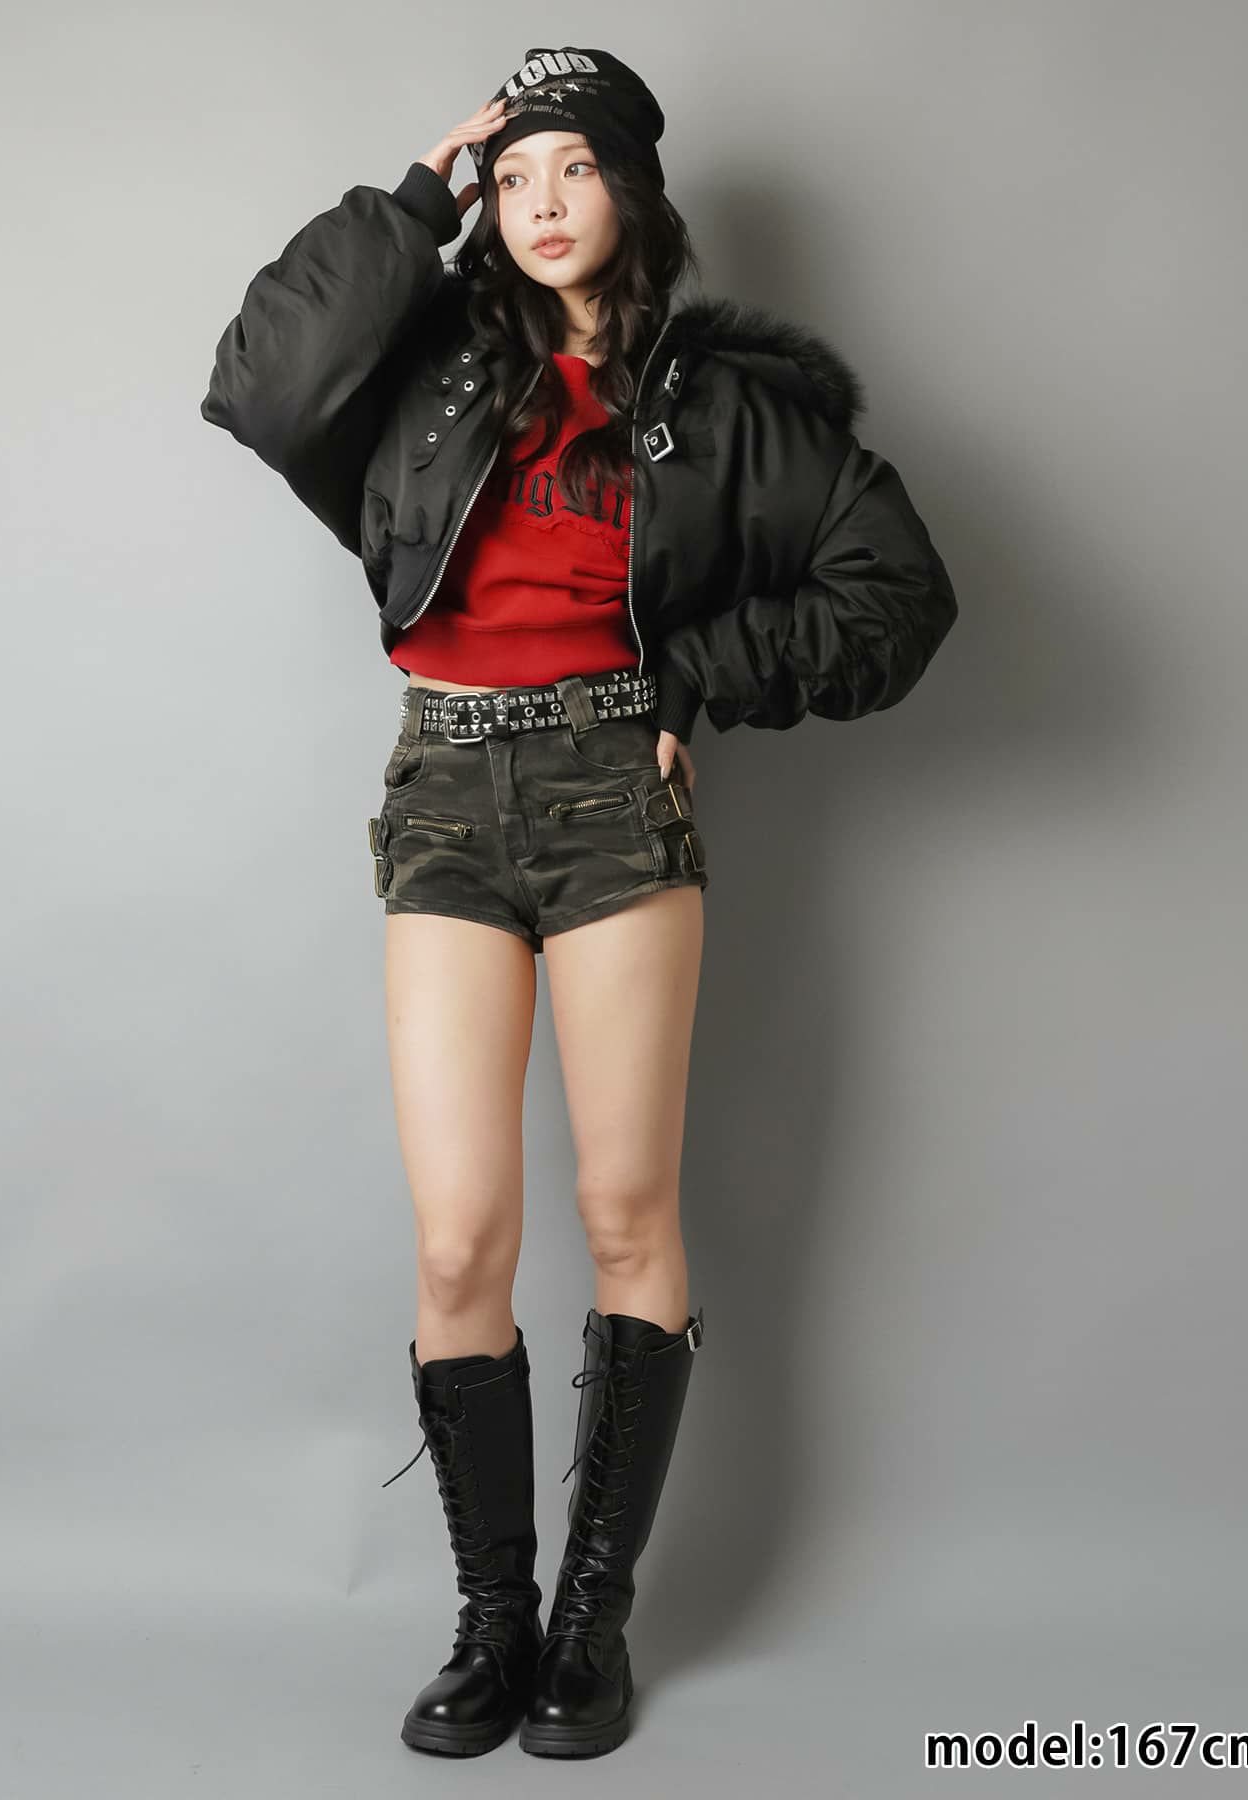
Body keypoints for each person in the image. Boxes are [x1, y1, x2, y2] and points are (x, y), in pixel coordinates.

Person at [201, 45, 958, 1760]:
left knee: (626, 1216)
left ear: (632, 192)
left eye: (577, 168)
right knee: (460, 1237)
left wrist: (703, 676)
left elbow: (898, 587)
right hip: (446, 793)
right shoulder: (426, 366)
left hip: (616, 793)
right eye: (517, 172)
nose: (543, 202)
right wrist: (416, 199)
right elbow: (262, 383)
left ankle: (589, 1627)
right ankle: (492, 1620)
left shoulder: (719, 403)